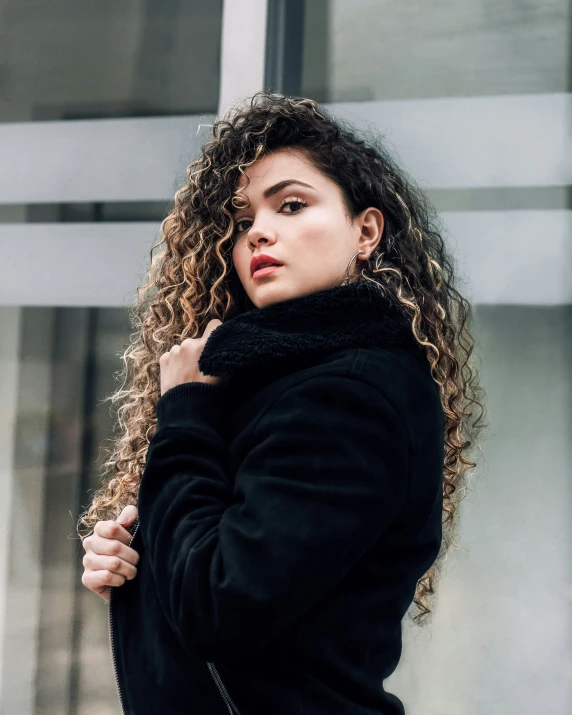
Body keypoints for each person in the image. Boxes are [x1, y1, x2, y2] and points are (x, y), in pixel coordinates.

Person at [78, 92, 487, 715]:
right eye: (241, 222)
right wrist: (141, 567)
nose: (259, 231)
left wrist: (185, 412)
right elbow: (230, 594)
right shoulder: (278, 385)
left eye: (292, 205)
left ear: (366, 231)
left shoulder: (346, 395)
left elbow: (218, 607)